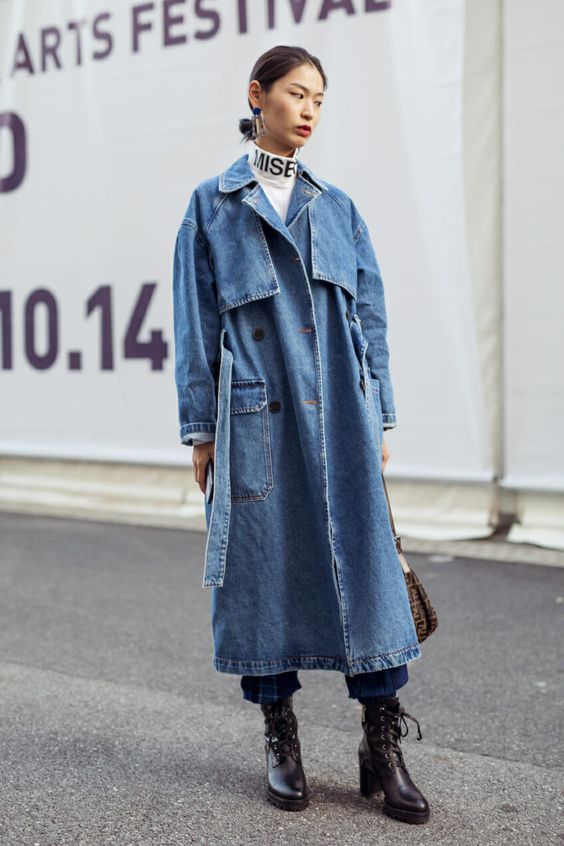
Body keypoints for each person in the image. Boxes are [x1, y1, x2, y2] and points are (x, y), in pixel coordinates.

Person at [172, 45, 430, 825]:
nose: (310, 109)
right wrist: (201, 430)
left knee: (369, 574)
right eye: (296, 93)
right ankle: (280, 737)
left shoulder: (338, 206)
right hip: (258, 417)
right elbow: (195, 323)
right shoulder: (213, 205)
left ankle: (382, 742)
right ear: (258, 96)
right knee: (263, 574)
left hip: (343, 417)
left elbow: (371, 318)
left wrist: (378, 414)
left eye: (320, 97)